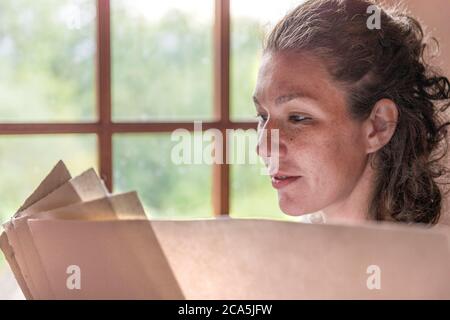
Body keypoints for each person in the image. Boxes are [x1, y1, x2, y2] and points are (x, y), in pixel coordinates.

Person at [254, 0, 450, 224]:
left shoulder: (435, 256)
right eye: (262, 116)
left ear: (378, 125)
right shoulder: (283, 252)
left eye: (298, 118)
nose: (263, 148)